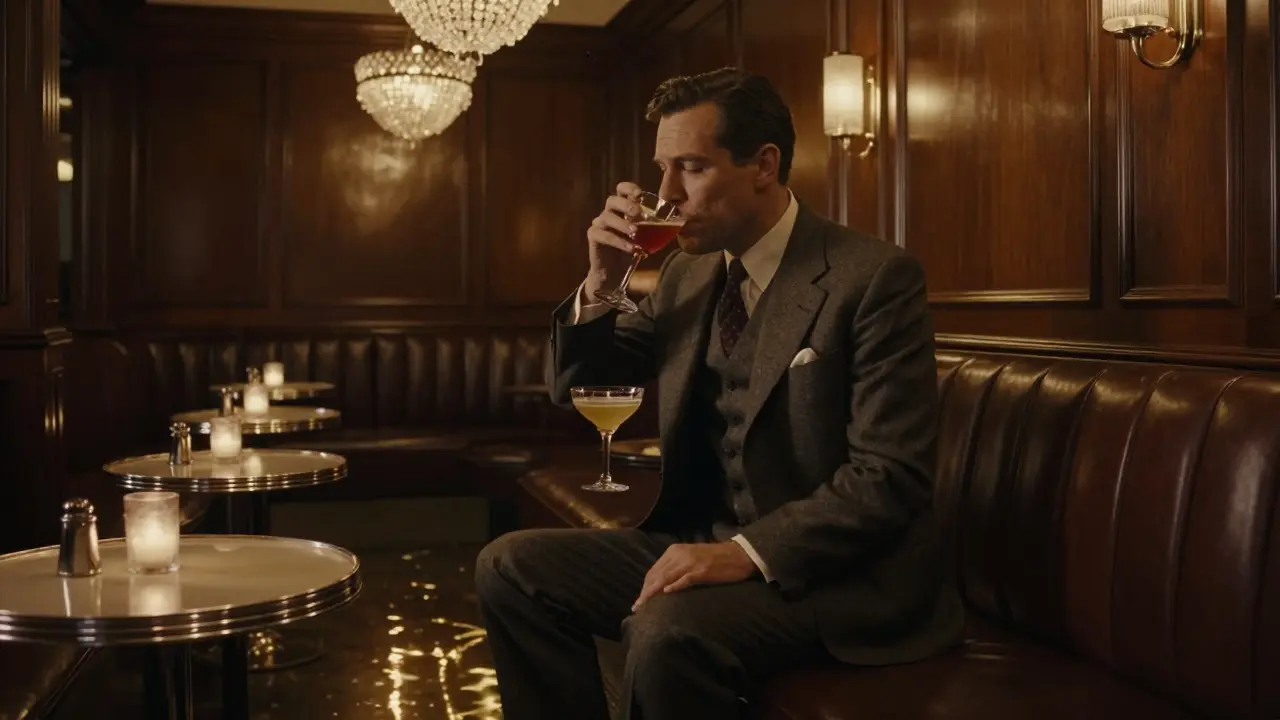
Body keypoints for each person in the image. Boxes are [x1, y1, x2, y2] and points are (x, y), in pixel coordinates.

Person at [474, 67, 964, 720]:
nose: (667, 196)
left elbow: (889, 478)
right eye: (661, 169)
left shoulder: (872, 278)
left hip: (835, 578)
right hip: (699, 541)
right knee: (510, 567)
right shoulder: (686, 271)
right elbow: (581, 387)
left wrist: (744, 553)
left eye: (692, 168)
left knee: (665, 629)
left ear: (763, 165)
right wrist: (600, 285)